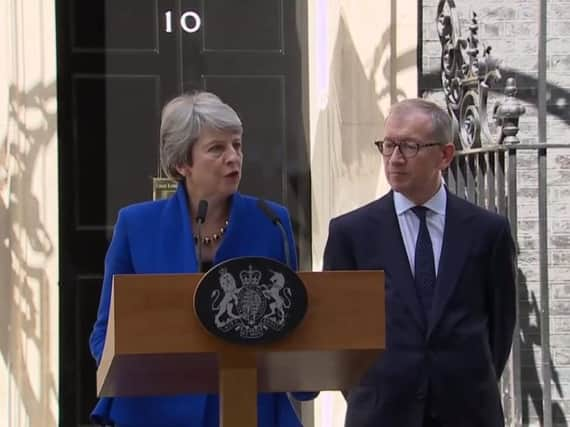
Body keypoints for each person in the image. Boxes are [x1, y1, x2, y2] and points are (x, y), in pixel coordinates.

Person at [89, 91, 315, 427]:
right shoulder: (136, 226)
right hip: (153, 412)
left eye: (237, 145)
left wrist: (302, 374)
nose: (233, 157)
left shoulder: (272, 222)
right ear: (183, 163)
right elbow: (104, 334)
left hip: (249, 410)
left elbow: (294, 322)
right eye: (217, 148)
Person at [323, 98, 516, 427]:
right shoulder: (350, 233)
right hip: (381, 413)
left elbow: (500, 328)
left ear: (444, 155)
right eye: (388, 146)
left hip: (468, 412)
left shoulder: (488, 232)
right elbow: (337, 331)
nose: (395, 159)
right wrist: (371, 391)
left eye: (409, 147)